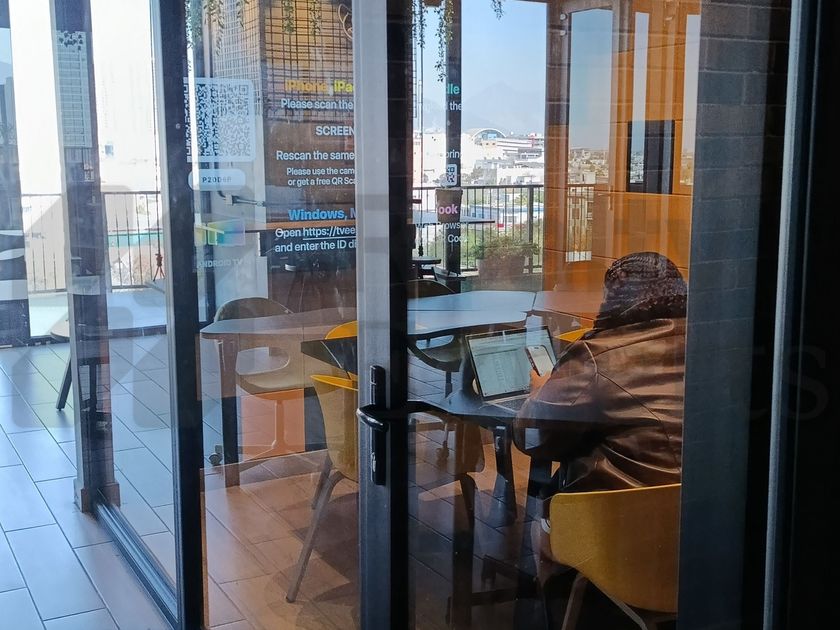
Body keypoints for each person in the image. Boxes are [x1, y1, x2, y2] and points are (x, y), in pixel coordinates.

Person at [515, 251, 687, 494]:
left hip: (619, 506)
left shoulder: (597, 356)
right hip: (702, 502)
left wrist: (539, 393)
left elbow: (536, 437)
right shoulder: (708, 342)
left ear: (613, 298)